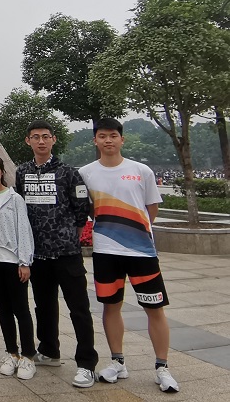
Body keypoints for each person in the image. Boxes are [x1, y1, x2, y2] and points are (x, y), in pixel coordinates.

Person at [80, 118, 179, 393]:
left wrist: (135, 233)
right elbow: (89, 210)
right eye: (102, 136)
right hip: (105, 251)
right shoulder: (86, 173)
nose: (108, 140)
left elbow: (151, 209)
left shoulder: (141, 170)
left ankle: (162, 367)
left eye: (113, 135)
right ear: (95, 140)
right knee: (111, 307)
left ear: (122, 139)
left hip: (141, 252)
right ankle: (118, 362)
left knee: (154, 308)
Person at [14, 120, 98, 388]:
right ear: (28, 141)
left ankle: (86, 363)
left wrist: (68, 235)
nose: (41, 141)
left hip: (66, 254)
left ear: (53, 139)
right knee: (44, 305)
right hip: (37, 255)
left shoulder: (69, 173)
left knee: (78, 308)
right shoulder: (22, 172)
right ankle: (49, 350)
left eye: (45, 136)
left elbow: (82, 209)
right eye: (35, 137)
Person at [0, 153, 36, 381]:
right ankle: (12, 353)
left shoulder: (14, 198)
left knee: (21, 309)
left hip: (12, 261)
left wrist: (24, 262)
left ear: (2, 171)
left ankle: (28, 356)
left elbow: (24, 230)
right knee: (3, 310)